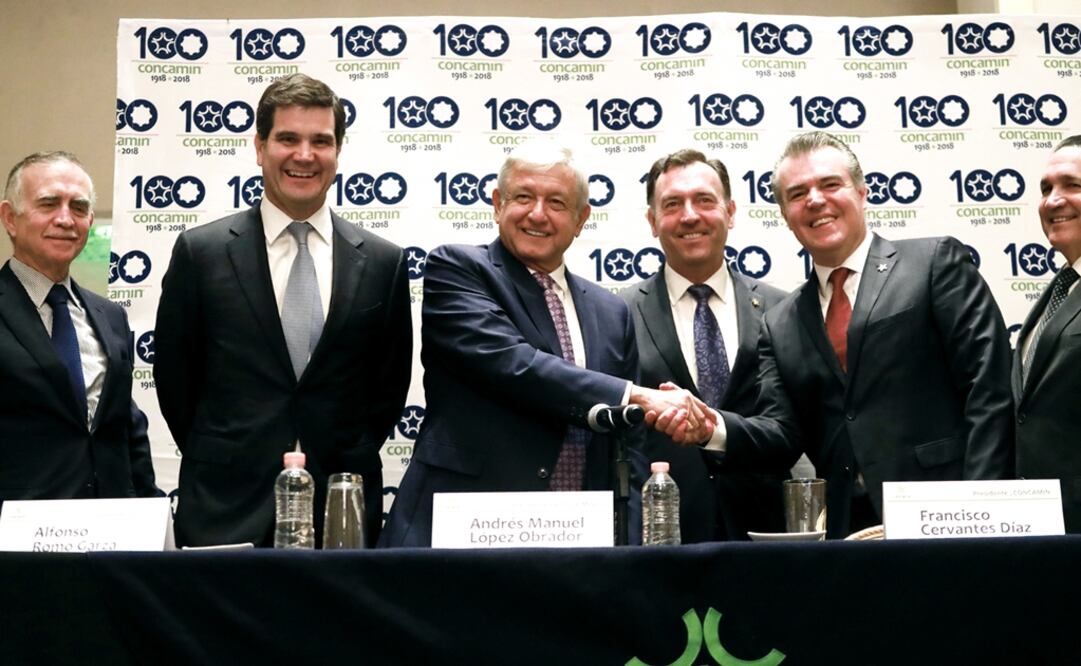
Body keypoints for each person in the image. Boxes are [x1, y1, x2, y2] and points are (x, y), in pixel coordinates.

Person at [379, 139, 712, 548]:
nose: (537, 214)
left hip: (580, 541)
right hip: (465, 537)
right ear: (498, 204)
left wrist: (632, 543)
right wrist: (635, 395)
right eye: (523, 197)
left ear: (581, 218)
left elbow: (631, 447)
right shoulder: (457, 268)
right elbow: (514, 365)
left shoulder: (611, 312)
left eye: (556, 202)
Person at [704, 131, 1014, 538]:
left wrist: (983, 508)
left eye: (830, 184)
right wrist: (711, 427)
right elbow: (782, 434)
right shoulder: (779, 323)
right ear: (785, 215)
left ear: (862, 192)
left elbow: (988, 388)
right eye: (797, 194)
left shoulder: (934, 263)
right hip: (848, 534)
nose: (815, 200)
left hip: (951, 518)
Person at [154, 73, 411, 547]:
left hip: (340, 509)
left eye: (321, 141)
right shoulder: (200, 253)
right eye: (288, 139)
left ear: (338, 151)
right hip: (224, 506)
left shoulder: (383, 262)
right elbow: (175, 380)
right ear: (260, 147)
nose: (304, 155)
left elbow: (387, 389)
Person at [622, 149, 788, 542]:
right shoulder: (619, 314)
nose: (690, 215)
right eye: (672, 204)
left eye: (704, 200)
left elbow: (791, 427)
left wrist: (713, 428)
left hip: (766, 535)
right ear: (652, 221)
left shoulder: (782, 311)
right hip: (661, 539)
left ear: (730, 213)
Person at [0, 152, 159, 504]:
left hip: (110, 522)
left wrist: (151, 508)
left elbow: (126, 426)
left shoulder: (110, 316)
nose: (65, 219)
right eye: (48, 203)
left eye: (79, 207)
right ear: (10, 218)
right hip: (17, 528)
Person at [1014, 135, 1081, 532]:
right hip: (1046, 530)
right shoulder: (1060, 289)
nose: (1053, 200)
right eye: (1045, 189)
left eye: (1072, 185)